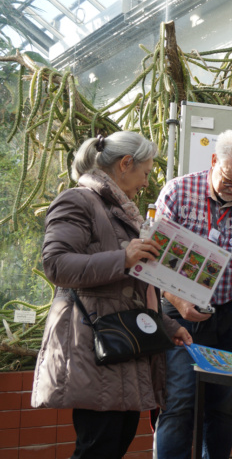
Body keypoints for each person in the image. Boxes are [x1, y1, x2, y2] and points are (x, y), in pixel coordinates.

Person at [31, 131, 193, 459]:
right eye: (145, 172)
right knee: (98, 447)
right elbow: (56, 264)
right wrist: (124, 258)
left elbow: (127, 293)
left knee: (114, 443)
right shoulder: (78, 200)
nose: (146, 182)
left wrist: (167, 326)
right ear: (125, 163)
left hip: (122, 345)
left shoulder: (120, 210)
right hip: (94, 345)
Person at [154, 130, 232, 459]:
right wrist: (177, 299)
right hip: (180, 314)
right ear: (214, 161)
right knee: (179, 402)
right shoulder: (178, 192)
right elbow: (152, 258)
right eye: (229, 181)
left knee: (223, 407)